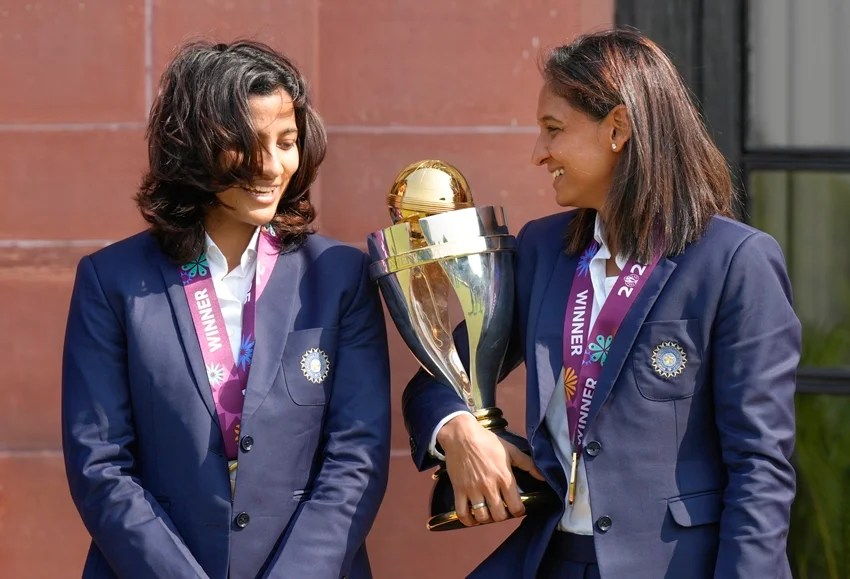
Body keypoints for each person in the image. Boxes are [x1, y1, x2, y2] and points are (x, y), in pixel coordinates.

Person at [402, 28, 799, 578]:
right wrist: (462, 431)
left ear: (617, 128)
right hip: (555, 558)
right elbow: (441, 375)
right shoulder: (543, 248)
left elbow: (760, 468)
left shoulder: (736, 261)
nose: (539, 153)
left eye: (553, 130)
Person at [62, 40, 391, 579]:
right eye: (246, 143)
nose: (271, 165)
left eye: (286, 142)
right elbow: (101, 467)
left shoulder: (339, 276)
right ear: (192, 146)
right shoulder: (113, 280)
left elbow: (356, 457)